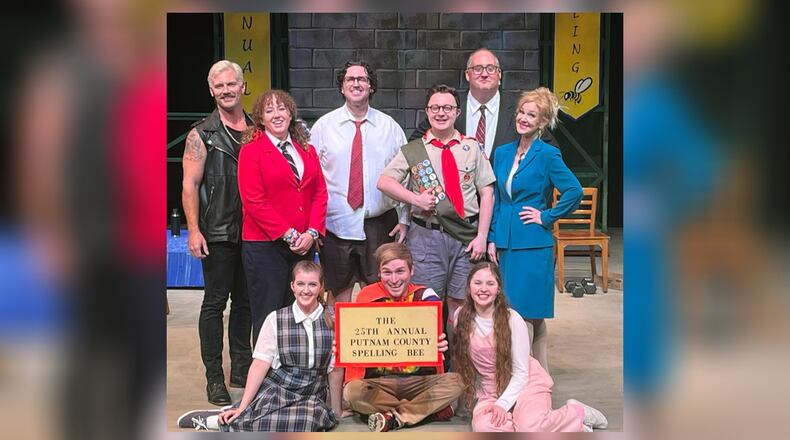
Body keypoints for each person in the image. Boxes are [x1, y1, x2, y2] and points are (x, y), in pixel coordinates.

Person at [378, 84, 495, 333]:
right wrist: (415, 199)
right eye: (435, 108)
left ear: (457, 112)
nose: (441, 113)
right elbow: (384, 182)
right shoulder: (414, 151)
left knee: (461, 304)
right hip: (426, 237)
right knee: (426, 303)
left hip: (466, 237)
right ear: (427, 111)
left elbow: (487, 193)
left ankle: (458, 356)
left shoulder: (472, 147)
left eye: (447, 108)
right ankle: (431, 357)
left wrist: (482, 236)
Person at [176, 261, 338, 431]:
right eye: (300, 284)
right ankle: (222, 419)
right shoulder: (276, 319)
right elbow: (260, 364)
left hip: (311, 394)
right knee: (264, 414)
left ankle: (226, 422)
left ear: (321, 287)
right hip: (279, 389)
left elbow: (335, 369)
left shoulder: (333, 319)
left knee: (308, 420)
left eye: (312, 284)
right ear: (292, 286)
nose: (306, 290)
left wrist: (337, 410)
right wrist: (242, 407)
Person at [486, 87, 582, 371]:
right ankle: (540, 377)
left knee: (524, 314)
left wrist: (546, 216)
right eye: (521, 112)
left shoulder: (548, 155)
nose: (523, 118)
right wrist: (492, 238)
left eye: (531, 115)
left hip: (533, 244)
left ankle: (524, 379)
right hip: (506, 244)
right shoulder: (502, 153)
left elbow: (574, 191)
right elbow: (498, 200)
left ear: (542, 122)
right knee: (522, 314)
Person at [453, 262, 608, 432]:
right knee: (484, 428)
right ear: (469, 286)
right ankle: (533, 424)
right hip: (491, 390)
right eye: (477, 283)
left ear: (498, 289)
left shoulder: (512, 319)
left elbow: (521, 373)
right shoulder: (460, 316)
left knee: (529, 426)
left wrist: (503, 404)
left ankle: (576, 413)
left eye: (490, 283)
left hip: (525, 383)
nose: (483, 289)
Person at [181, 60, 253, 406]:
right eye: (219, 86)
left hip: (254, 231)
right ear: (211, 91)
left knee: (246, 303)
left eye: (231, 84)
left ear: (242, 86)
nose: (226, 90)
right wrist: (194, 230)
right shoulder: (201, 134)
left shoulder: (258, 129)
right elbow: (189, 186)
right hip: (218, 231)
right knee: (214, 304)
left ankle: (241, 368)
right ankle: (214, 378)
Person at [310, 60, 408, 306]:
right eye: (350, 79)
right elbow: (311, 178)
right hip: (335, 227)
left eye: (362, 79)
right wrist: (312, 225)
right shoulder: (323, 127)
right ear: (342, 87)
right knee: (337, 300)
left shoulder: (390, 128)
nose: (356, 84)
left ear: (371, 86)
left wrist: (405, 218)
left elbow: (407, 177)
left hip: (380, 225)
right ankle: (337, 335)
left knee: (379, 297)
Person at [237, 89, 328, 348]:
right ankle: (267, 371)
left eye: (281, 109)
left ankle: (296, 366)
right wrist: (289, 234)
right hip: (265, 246)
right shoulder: (251, 151)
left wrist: (312, 232)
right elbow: (253, 200)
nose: (276, 115)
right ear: (261, 119)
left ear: (290, 114)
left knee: (301, 311)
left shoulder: (306, 149)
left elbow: (320, 193)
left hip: (304, 245)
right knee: (268, 314)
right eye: (269, 110)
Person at [343, 243, 464, 432]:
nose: (394, 279)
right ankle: (423, 411)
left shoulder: (426, 297)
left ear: (411, 270)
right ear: (379, 273)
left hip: (418, 382)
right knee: (352, 392)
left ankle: (394, 417)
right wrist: (345, 346)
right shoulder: (367, 297)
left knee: (456, 382)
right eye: (387, 272)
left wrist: (438, 345)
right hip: (380, 382)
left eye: (400, 271)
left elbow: (433, 338)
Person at [410, 48, 559, 161]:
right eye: (477, 69)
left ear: (499, 74)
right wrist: (432, 178)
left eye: (490, 69)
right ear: (467, 75)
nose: (484, 74)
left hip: (504, 192)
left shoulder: (520, 109)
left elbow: (550, 148)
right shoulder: (450, 106)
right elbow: (414, 145)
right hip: (457, 192)